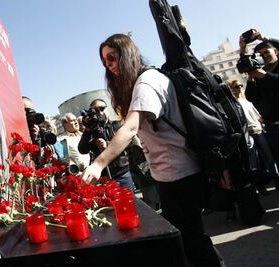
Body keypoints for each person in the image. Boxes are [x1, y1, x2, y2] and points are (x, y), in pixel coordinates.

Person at [81, 33, 221, 266]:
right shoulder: (144, 82)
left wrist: (98, 163)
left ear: (127, 55)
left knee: (193, 241)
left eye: (112, 58)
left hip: (179, 174)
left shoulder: (146, 83)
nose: (109, 66)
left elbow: (131, 127)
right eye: (105, 62)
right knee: (188, 240)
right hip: (171, 174)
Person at [240, 30, 279, 190]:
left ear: (276, 51)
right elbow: (250, 96)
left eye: (266, 51)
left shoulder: (268, 74)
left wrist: (263, 38)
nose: (264, 55)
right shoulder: (259, 73)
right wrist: (251, 76)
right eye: (260, 54)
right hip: (272, 128)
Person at [229, 79, 278, 194]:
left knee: (268, 158)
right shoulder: (234, 103)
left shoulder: (247, 100)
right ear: (232, 89)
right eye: (236, 87)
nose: (240, 88)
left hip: (259, 130)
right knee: (256, 162)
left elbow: (258, 115)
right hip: (249, 133)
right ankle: (261, 186)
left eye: (241, 85)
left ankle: (274, 180)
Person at [78, 98, 135, 192]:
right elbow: (82, 149)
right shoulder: (91, 131)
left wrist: (108, 145)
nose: (99, 112)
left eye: (102, 108)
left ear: (107, 109)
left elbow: (128, 143)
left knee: (130, 203)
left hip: (122, 174)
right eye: (95, 110)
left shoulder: (116, 125)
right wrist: (87, 130)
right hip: (104, 178)